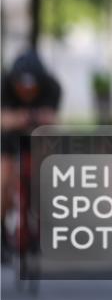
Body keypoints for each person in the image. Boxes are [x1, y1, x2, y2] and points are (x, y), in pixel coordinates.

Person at [0, 48, 62, 263]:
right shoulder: (4, 86)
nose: (27, 90)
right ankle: (1, 235)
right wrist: (21, 118)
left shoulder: (52, 87)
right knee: (4, 178)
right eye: (22, 85)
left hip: (38, 138)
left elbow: (53, 120)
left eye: (31, 85)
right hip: (7, 139)